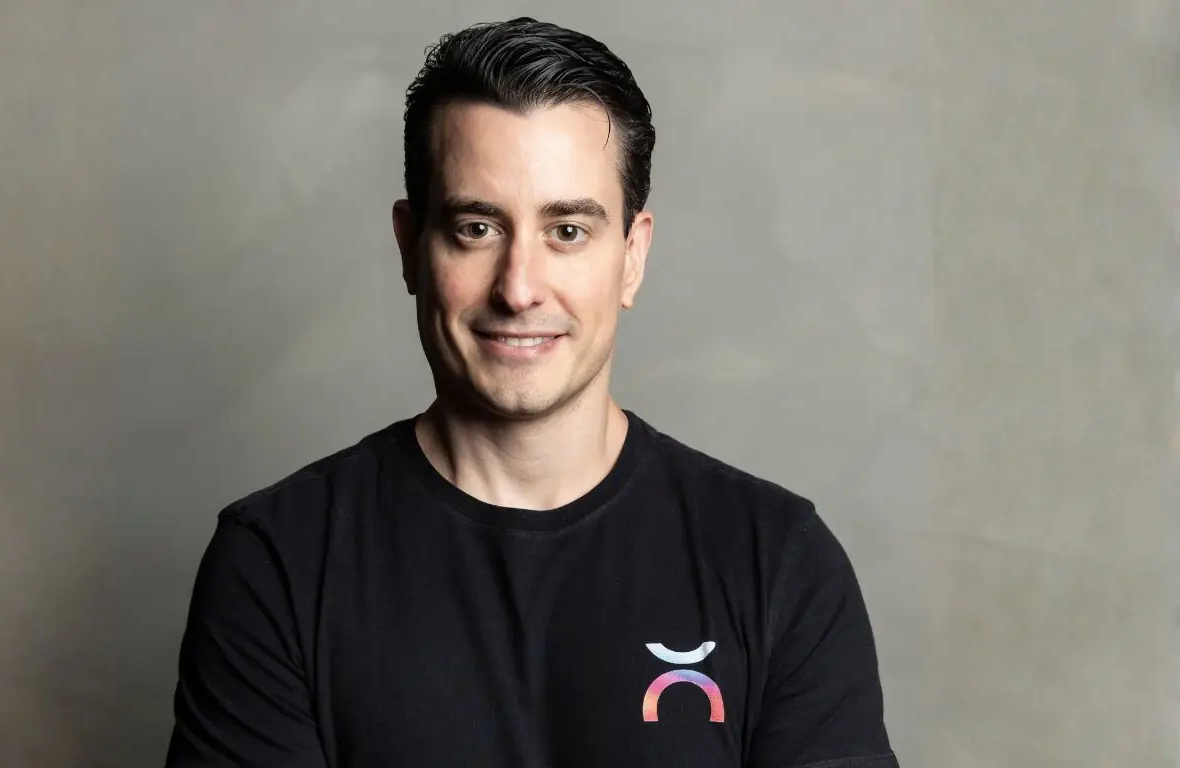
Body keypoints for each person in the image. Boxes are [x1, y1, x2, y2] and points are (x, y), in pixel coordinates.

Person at [165, 17, 897, 768]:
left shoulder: (775, 561)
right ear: (410, 249)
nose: (519, 289)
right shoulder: (279, 562)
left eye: (567, 231)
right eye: (476, 228)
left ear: (632, 257)